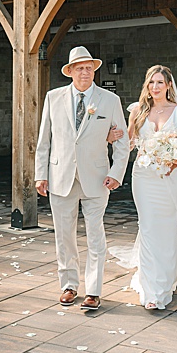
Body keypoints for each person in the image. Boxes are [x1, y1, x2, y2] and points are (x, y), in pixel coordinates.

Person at [112, 66, 177, 310]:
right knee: (148, 227)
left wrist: (172, 160)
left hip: (170, 177)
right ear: (147, 87)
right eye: (151, 83)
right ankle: (152, 289)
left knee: (167, 226)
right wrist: (111, 136)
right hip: (143, 176)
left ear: (169, 85)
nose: (155, 87)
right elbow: (128, 144)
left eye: (160, 82)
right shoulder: (137, 111)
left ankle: (168, 274)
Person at [35, 46, 130, 312]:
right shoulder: (53, 98)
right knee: (64, 236)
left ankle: (93, 290)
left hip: (98, 179)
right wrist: (40, 174)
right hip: (60, 177)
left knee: (95, 235)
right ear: (70, 72)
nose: (85, 72)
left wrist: (116, 173)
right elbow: (44, 141)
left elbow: (122, 142)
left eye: (89, 67)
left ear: (94, 70)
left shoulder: (110, 100)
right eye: (80, 68)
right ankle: (68, 285)